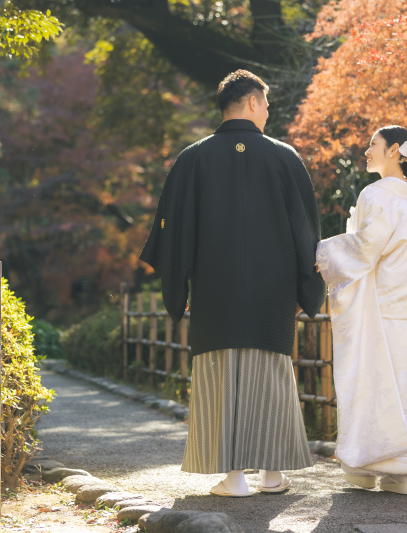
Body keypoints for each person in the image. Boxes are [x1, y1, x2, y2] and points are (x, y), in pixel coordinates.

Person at [139, 70, 327, 497]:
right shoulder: (284, 156)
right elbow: (306, 231)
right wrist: (304, 289)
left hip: (215, 289)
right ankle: (274, 475)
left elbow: (175, 229)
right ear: (254, 102)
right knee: (272, 375)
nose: (267, 111)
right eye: (266, 104)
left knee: (221, 376)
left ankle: (234, 478)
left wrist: (179, 287)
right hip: (273, 290)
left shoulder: (193, 158)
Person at [315, 125, 407, 495]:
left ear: (394, 150)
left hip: (383, 308)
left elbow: (366, 247)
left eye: (372, 144)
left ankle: (367, 466)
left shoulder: (376, 194)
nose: (366, 150)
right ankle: (405, 473)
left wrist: (326, 254)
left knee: (376, 383)